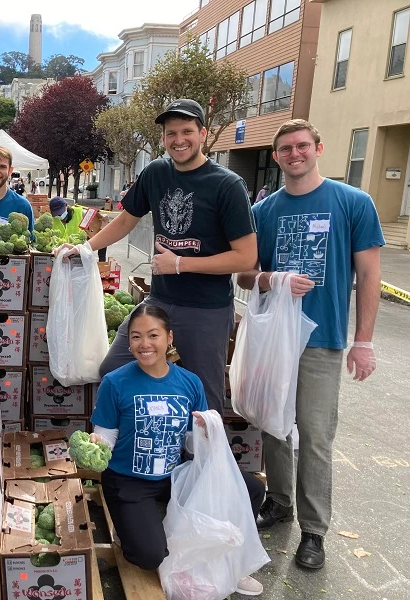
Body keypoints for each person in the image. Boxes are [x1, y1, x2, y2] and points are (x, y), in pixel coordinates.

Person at [237, 119, 384, 570]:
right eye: (285, 149)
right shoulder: (264, 211)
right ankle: (280, 505)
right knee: (275, 427)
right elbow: (244, 273)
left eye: (302, 146)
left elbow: (369, 275)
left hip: (322, 339)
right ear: (277, 156)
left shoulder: (353, 202)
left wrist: (363, 341)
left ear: (319, 148)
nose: (294, 154)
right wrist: (271, 277)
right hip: (275, 338)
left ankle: (314, 531)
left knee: (316, 437)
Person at [56, 98, 257, 414]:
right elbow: (126, 219)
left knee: (204, 399)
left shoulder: (227, 185)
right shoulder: (155, 173)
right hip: (159, 301)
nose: (179, 140)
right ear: (163, 139)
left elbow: (246, 257)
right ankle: (149, 447)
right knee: (114, 369)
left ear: (203, 133)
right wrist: (85, 248)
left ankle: (200, 462)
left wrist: (180, 263)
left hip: (205, 309)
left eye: (187, 131)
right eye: (171, 133)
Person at [91, 304, 264, 596]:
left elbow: (191, 445)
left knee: (252, 488)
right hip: (128, 481)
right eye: (135, 337)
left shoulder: (189, 382)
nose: (144, 344)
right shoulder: (115, 382)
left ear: (169, 338)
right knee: (148, 556)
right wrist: (96, 445)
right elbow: (105, 436)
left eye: (153, 335)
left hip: (175, 476)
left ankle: (231, 559)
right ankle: (128, 528)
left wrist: (205, 432)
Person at [49, 196, 107, 262]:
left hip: (78, 255)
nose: (59, 216)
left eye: (61, 213)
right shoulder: (51, 220)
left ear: (66, 206)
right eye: (57, 215)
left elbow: (100, 229)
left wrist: (102, 259)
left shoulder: (80, 213)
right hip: (60, 255)